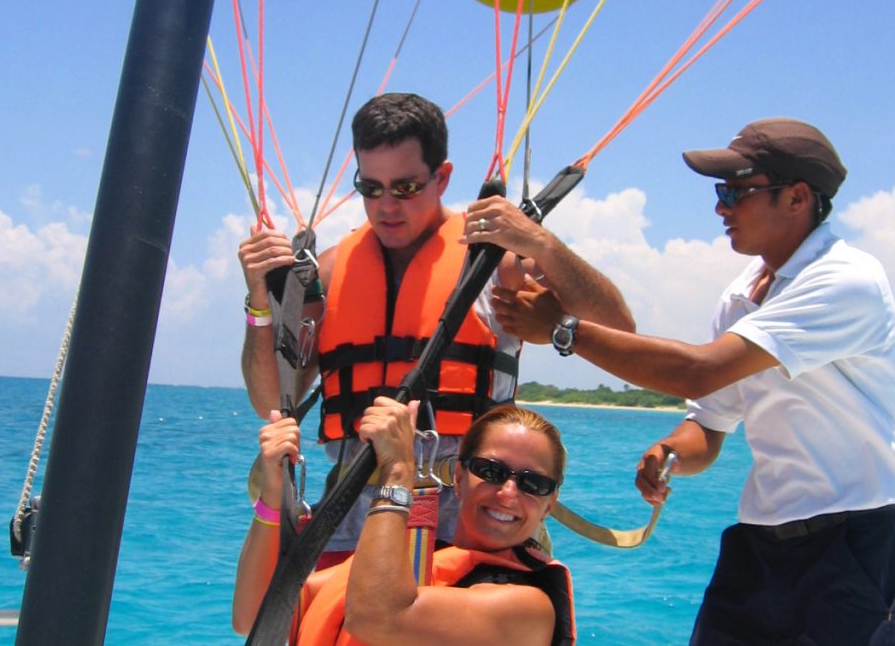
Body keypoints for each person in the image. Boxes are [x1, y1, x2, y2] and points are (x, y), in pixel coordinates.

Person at [469, 117, 895, 644]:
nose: (720, 207)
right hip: (760, 544)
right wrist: (672, 450)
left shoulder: (846, 280)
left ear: (798, 198)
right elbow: (710, 420)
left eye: (736, 191)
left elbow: (697, 369)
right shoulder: (742, 295)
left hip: (852, 550)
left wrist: (563, 331)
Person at [238, 92, 633, 564]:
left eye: (404, 187)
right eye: (371, 188)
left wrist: (543, 245)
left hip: (468, 521)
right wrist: (260, 303)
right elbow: (270, 402)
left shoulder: (493, 259)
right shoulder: (332, 269)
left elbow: (619, 330)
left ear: (442, 177)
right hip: (349, 522)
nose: (386, 206)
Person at [232, 399, 575, 645]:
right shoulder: (416, 565)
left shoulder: (528, 608)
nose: (508, 493)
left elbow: (375, 619)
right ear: (458, 477)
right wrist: (273, 495)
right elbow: (255, 616)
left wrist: (397, 472)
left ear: (548, 505)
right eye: (491, 471)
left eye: (534, 484)